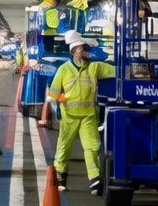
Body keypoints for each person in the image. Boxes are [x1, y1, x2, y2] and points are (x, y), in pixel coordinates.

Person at [48, 29, 115, 195]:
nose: (84, 51)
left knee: (92, 147)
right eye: (81, 49)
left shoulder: (94, 67)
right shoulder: (64, 69)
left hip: (88, 116)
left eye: (84, 48)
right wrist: (63, 103)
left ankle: (94, 179)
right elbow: (53, 94)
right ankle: (60, 176)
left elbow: (115, 70)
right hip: (69, 116)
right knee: (63, 148)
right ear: (74, 51)